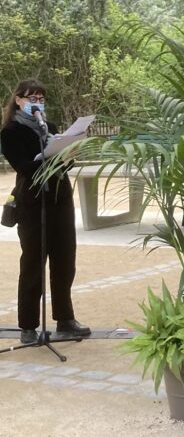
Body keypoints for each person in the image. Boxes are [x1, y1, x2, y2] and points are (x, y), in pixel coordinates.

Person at [0, 80, 90, 344]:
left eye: (41, 98)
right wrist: (46, 156)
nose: (37, 102)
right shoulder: (10, 131)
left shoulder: (49, 128)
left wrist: (67, 149)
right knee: (33, 265)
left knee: (64, 262)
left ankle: (65, 320)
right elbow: (23, 167)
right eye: (31, 97)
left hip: (60, 201)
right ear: (18, 100)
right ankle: (28, 327)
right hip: (32, 204)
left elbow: (67, 163)